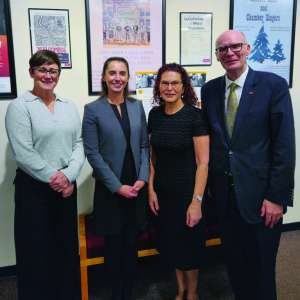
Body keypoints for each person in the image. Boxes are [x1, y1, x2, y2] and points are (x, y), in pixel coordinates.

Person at [201, 30, 295, 300]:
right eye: (222, 49)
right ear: (217, 55)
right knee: (235, 267)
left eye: (235, 47)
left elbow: (284, 145)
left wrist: (277, 197)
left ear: (248, 48)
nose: (229, 53)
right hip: (225, 197)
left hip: (261, 199)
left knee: (262, 270)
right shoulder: (210, 90)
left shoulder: (272, 86)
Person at [5, 50, 85, 300]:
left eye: (53, 71)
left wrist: (69, 176)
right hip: (34, 191)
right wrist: (57, 178)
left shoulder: (68, 106)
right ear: (31, 72)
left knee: (65, 250)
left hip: (65, 190)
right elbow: (23, 152)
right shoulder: (19, 107)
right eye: (42, 70)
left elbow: (79, 143)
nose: (48, 75)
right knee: (36, 253)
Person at [82, 57, 149, 300]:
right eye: (112, 73)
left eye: (122, 73)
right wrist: (116, 186)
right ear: (104, 77)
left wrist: (143, 178)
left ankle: (130, 291)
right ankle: (116, 293)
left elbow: (143, 146)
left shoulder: (136, 106)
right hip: (111, 189)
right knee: (114, 244)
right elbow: (92, 153)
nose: (117, 78)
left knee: (131, 243)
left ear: (128, 77)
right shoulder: (93, 110)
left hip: (136, 186)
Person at [148, 63, 209, 300]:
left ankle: (192, 292)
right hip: (164, 193)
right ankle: (180, 289)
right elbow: (152, 157)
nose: (170, 88)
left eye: (175, 83)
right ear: (158, 86)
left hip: (188, 192)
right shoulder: (154, 115)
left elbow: (203, 163)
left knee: (190, 246)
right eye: (165, 83)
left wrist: (197, 202)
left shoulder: (195, 116)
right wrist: (151, 189)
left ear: (183, 87)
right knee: (171, 243)